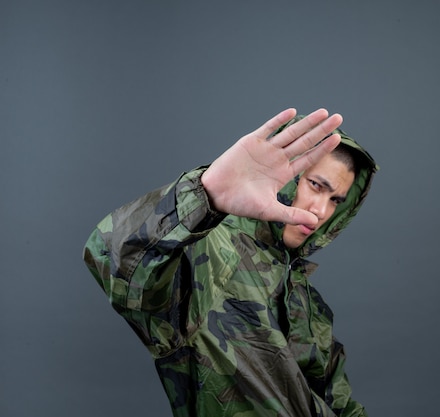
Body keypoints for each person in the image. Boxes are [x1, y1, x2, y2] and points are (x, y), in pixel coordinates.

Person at [83, 108, 379, 417]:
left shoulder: (304, 296)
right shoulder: (212, 253)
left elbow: (341, 403)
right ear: (287, 175)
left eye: (336, 201)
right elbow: (114, 256)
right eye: (316, 186)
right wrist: (205, 195)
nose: (320, 211)